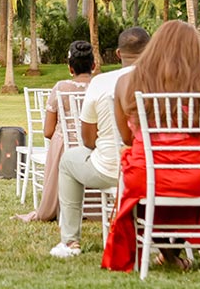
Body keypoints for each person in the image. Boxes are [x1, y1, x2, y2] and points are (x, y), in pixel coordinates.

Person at [103, 20, 200, 272]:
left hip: (145, 174)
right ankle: (176, 252)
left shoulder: (126, 82)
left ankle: (165, 251)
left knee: (140, 178)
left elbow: (127, 138)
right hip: (196, 177)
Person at [50, 27, 150, 258]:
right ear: (150, 49)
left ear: (118, 54)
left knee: (68, 161)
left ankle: (70, 241)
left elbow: (87, 139)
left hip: (109, 169)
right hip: (155, 168)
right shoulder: (164, 80)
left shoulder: (102, 82)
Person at [14, 41, 93, 222]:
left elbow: (48, 131)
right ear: (94, 65)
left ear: (70, 68)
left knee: (59, 137)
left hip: (65, 151)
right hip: (96, 147)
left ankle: (59, 203)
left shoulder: (60, 88)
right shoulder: (101, 86)